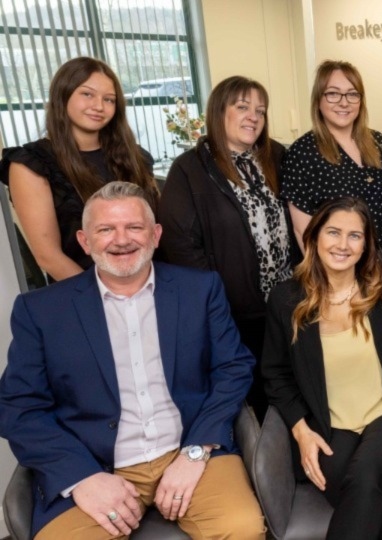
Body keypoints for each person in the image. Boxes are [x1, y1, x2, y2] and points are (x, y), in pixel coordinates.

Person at [0, 181, 264, 539]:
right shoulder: (42, 311)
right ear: (84, 240)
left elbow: (234, 368)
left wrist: (196, 451)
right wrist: (82, 477)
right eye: (106, 229)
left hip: (188, 447)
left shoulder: (200, 290)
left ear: (155, 235)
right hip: (96, 465)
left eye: (134, 227)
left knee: (241, 528)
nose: (121, 240)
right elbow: (18, 406)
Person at [261, 196, 382, 539]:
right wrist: (299, 429)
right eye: (333, 232)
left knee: (366, 477)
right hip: (327, 427)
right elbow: (275, 373)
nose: (343, 244)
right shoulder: (286, 299)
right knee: (381, 518)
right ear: (313, 237)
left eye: (355, 236)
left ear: (366, 244)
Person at [158, 75, 297, 419]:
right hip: (233, 311)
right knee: (250, 395)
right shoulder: (190, 169)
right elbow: (181, 246)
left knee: (290, 385)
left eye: (261, 111)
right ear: (219, 111)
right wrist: (215, 301)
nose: (254, 116)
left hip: (288, 301)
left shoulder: (276, 156)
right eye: (243, 107)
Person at [0, 56, 158, 282]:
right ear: (62, 96)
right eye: (87, 94)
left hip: (152, 285)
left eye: (109, 99)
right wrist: (107, 299)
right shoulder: (32, 163)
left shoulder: (135, 156)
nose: (99, 106)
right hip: (83, 291)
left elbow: (155, 229)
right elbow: (48, 256)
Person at [282, 60, 382, 270]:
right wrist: (326, 279)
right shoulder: (303, 152)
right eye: (333, 93)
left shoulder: (379, 143)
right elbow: (302, 230)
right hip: (338, 272)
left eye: (352, 94)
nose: (344, 102)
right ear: (318, 100)